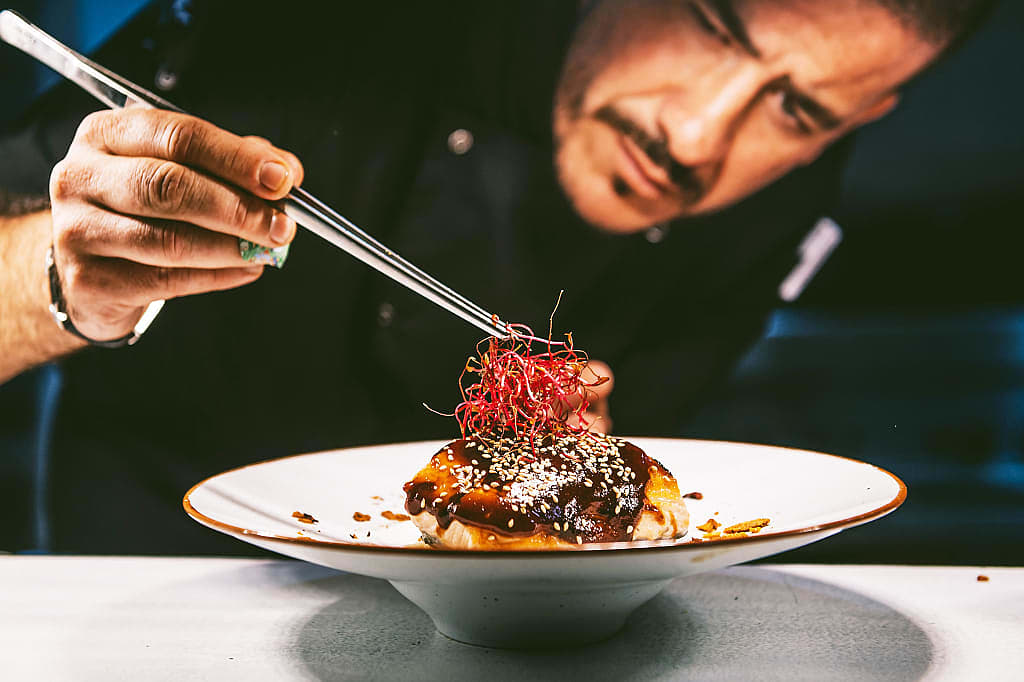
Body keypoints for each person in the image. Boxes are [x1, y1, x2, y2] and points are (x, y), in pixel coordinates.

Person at [0, 0, 993, 553]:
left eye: (802, 113)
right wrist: (68, 277)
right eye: (708, 23)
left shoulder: (789, 197)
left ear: (870, 111)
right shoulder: (306, 27)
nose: (697, 138)